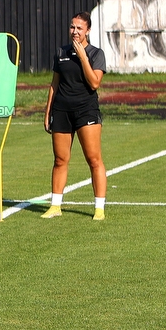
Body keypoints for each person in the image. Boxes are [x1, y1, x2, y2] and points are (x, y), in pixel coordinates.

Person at [41, 12, 107, 220]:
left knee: (93, 159)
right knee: (60, 159)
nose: (75, 32)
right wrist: (48, 111)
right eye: (72, 27)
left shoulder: (96, 53)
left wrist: (83, 57)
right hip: (61, 111)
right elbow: (55, 84)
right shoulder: (61, 52)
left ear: (87, 30)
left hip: (86, 110)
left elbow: (94, 83)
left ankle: (99, 208)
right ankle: (55, 206)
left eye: (79, 28)